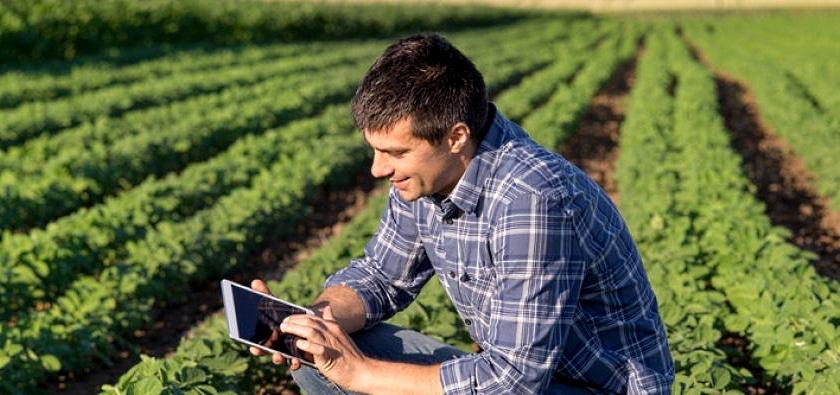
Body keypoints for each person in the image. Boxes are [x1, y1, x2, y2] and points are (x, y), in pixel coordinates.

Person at [249, 33, 674, 394]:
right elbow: (382, 275)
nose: (378, 169)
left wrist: (362, 372)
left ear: (456, 136)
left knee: (351, 368)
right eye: (375, 149)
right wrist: (309, 322)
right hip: (521, 374)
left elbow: (513, 382)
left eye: (395, 152)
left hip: (586, 387)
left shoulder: (532, 199)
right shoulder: (426, 176)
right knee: (319, 356)